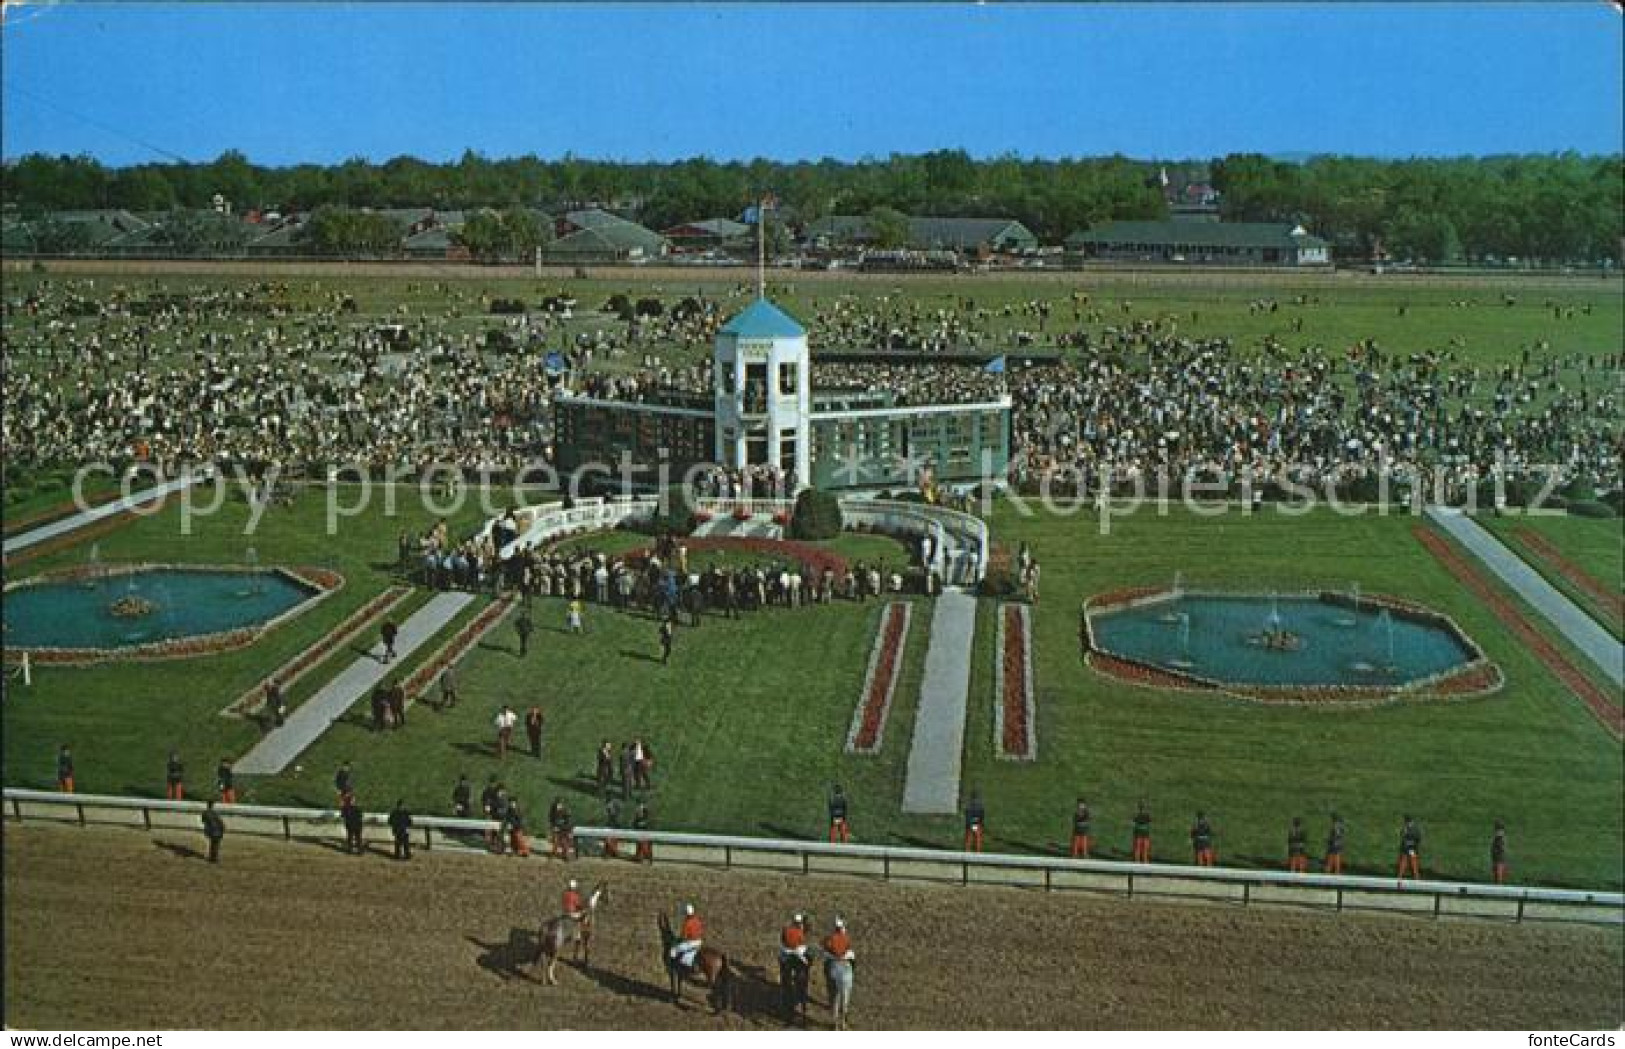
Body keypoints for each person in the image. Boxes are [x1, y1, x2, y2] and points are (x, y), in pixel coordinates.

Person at [669, 903, 704, 968]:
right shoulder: (697, 920)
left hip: (691, 943)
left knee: (673, 950)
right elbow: (701, 930)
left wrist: (679, 939)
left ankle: (673, 967)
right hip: (699, 941)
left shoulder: (687, 923)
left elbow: (684, 935)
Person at [1397, 815, 1423, 880]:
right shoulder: (1404, 828)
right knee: (1403, 862)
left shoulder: (1415, 829)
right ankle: (1400, 876)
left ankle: (1416, 876)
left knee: (1413, 862)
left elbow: (1418, 838)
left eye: (1407, 822)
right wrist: (1404, 832)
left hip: (1412, 848)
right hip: (1405, 849)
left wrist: (1411, 842)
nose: (1407, 824)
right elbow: (1402, 836)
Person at [1491, 819, 1509, 884]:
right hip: (1499, 857)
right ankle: (1499, 883)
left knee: (1498, 871)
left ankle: (1499, 884)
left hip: (1498, 857)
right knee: (1498, 870)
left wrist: (1497, 851)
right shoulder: (1501, 835)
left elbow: (1500, 846)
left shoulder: (1499, 836)